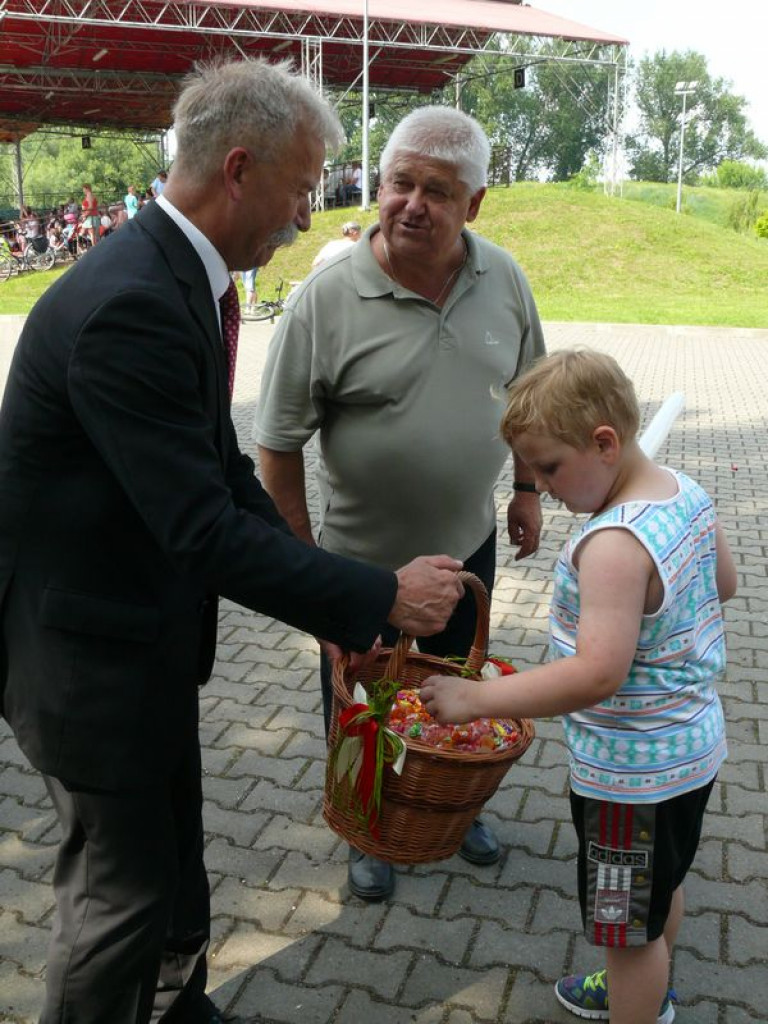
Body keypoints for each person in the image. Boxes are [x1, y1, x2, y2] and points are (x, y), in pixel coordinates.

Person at [0, 58, 465, 1024]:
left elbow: (223, 474)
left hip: (141, 645)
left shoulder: (174, 276)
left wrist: (340, 602)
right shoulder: (132, 301)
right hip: (86, 666)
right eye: (301, 190)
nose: (305, 217)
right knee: (115, 901)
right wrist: (375, 594)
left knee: (173, 855)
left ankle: (175, 1005)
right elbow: (201, 529)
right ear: (240, 169)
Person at [254, 105, 546, 902]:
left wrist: (524, 489)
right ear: (378, 187)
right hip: (359, 564)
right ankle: (363, 821)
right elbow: (276, 446)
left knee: (459, 688)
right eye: (400, 183)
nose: (414, 203)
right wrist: (308, 573)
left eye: (439, 190)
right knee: (362, 703)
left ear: (475, 204)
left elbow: (529, 399)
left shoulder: (506, 278)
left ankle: (451, 801)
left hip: (466, 548)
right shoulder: (327, 297)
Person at [421, 349, 738, 1024]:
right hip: (690, 751)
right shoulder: (686, 493)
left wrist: (473, 699)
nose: (541, 485)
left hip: (632, 783)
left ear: (604, 443)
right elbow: (726, 585)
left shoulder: (614, 546)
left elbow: (596, 673)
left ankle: (638, 999)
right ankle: (647, 989)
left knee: (626, 932)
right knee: (660, 890)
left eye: (550, 468)